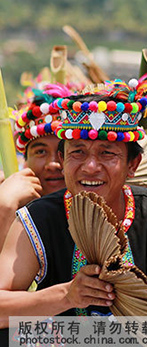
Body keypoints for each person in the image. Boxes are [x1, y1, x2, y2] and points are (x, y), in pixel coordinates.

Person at [0, 78, 147, 347]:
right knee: (9, 338)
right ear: (63, 161)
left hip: (143, 337)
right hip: (70, 339)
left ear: (132, 165)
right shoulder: (36, 219)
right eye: (78, 152)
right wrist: (68, 295)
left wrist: (137, 296)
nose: (90, 166)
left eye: (106, 153)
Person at [0, 83, 77, 252]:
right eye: (41, 151)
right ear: (25, 162)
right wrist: (5, 209)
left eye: (62, 151)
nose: (53, 164)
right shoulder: (6, 200)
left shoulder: (109, 212)